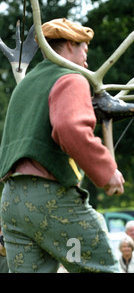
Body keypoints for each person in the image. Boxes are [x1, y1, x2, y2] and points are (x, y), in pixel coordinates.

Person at [0, 18, 124, 273]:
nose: (87, 62)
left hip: (11, 202)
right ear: (69, 45)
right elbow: (69, 129)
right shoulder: (71, 78)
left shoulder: (24, 86)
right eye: (84, 51)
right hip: (49, 197)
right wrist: (107, 171)